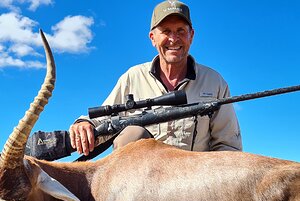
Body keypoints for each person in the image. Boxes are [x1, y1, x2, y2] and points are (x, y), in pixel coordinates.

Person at [70, 0, 242, 156]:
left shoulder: (215, 82)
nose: (173, 39)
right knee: (132, 135)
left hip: (194, 183)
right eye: (166, 31)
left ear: (191, 35)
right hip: (141, 184)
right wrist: (84, 124)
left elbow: (228, 146)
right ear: (153, 38)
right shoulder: (133, 77)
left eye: (181, 31)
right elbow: (103, 121)